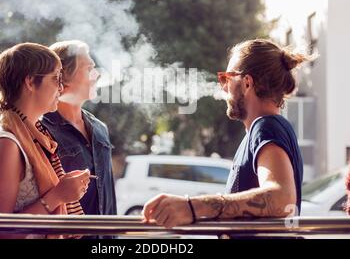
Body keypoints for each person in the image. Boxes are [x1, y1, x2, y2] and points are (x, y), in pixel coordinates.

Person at [143, 39, 316, 228]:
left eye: (226, 78)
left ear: (247, 83)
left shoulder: (266, 126)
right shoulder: (265, 129)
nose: (223, 87)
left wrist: (191, 207)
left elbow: (281, 198)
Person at [0, 43, 90, 239]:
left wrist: (63, 190)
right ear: (30, 82)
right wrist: (57, 196)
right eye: (56, 78)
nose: (62, 87)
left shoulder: (37, 138)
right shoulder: (6, 144)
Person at [42, 40, 117, 235]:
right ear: (63, 77)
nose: (97, 74)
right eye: (90, 68)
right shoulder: (41, 130)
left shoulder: (100, 129)